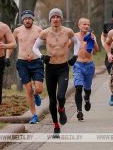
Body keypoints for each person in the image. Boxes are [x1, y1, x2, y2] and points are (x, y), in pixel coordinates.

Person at [32, 8, 80, 138]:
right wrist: (42, 57)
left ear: (61, 19)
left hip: (63, 67)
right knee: (52, 100)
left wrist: (75, 56)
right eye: (53, 17)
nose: (55, 19)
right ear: (50, 19)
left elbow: (77, 42)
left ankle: (62, 109)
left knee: (60, 96)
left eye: (58, 17)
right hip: (50, 69)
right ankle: (56, 126)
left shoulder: (68, 32)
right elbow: (35, 47)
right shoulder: (45, 33)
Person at [9, 10, 43, 124]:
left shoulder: (39, 30)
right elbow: (11, 44)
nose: (27, 20)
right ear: (22, 20)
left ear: (33, 19)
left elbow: (48, 41)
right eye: (25, 18)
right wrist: (7, 57)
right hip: (22, 62)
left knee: (38, 88)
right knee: (28, 89)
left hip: (36, 62)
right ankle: (34, 115)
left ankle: (36, 94)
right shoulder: (17, 31)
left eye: (29, 18)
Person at [73, 18, 99, 121]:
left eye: (88, 24)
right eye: (84, 24)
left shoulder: (92, 36)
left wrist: (93, 40)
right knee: (78, 87)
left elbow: (97, 50)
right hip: (78, 64)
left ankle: (87, 99)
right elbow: (67, 47)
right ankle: (79, 111)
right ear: (79, 25)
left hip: (89, 65)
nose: (86, 26)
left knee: (87, 88)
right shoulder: (74, 36)